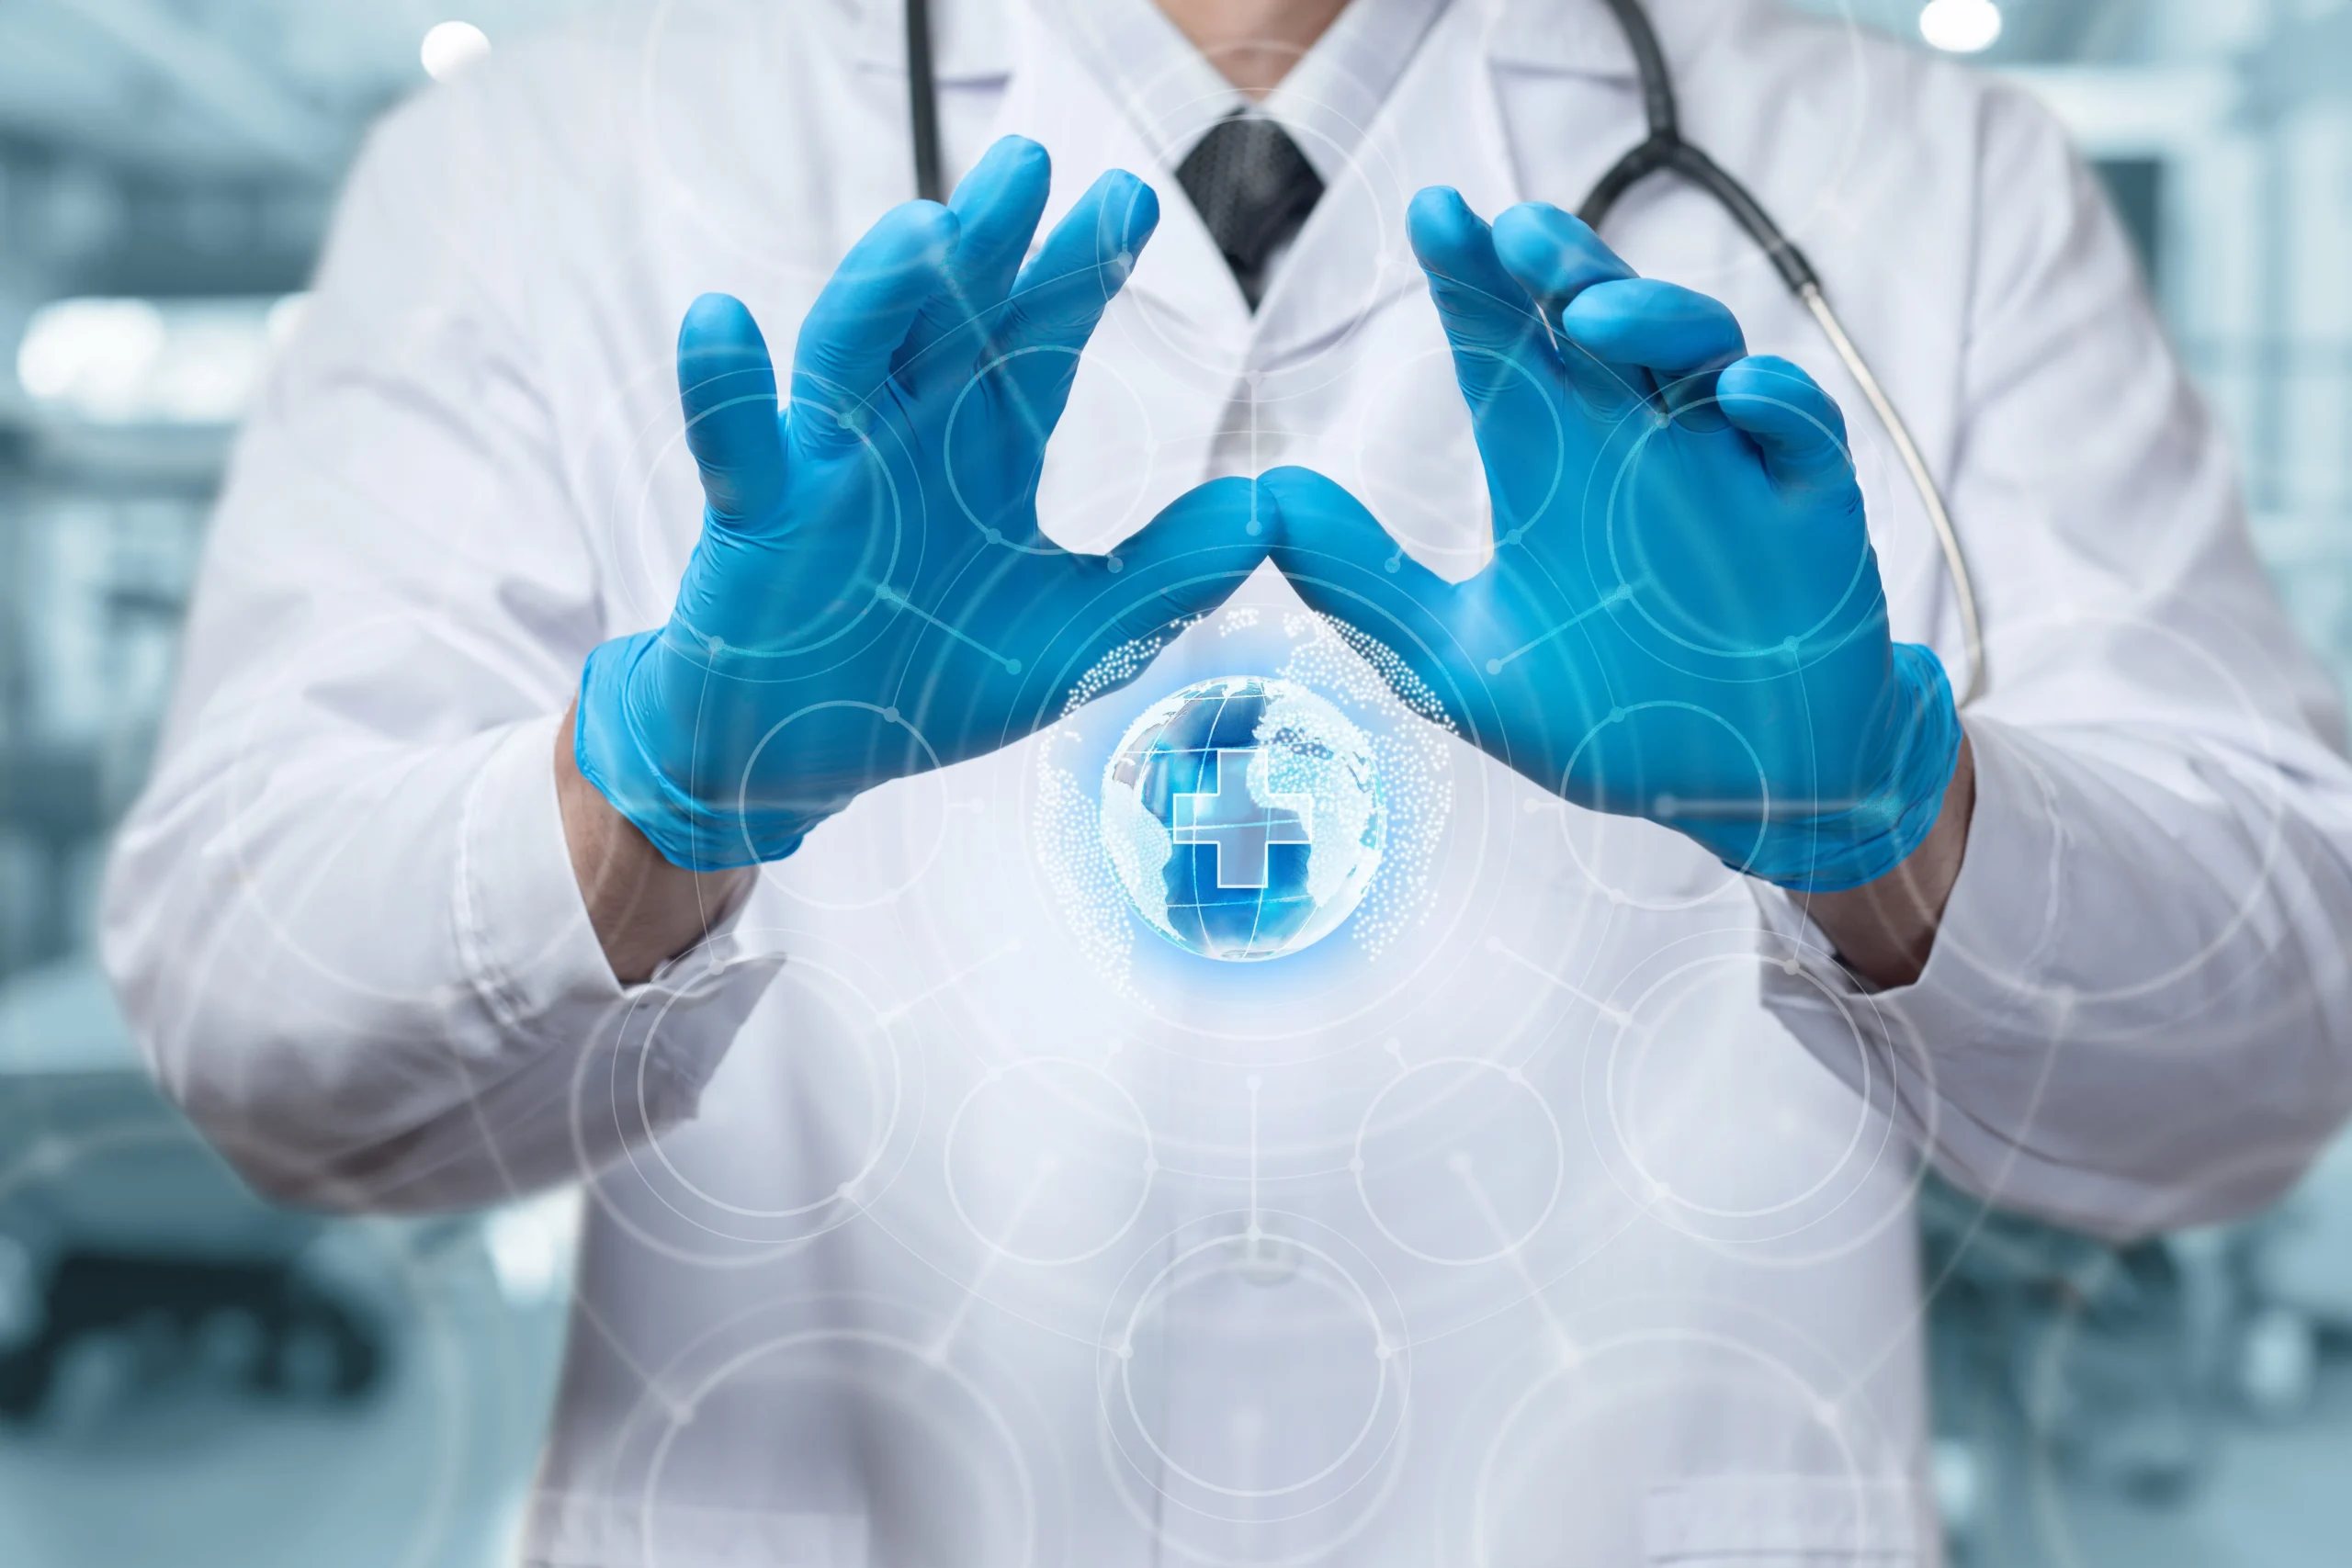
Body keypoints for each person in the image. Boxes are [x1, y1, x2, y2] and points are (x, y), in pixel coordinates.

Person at [100, 0, 2352, 1562]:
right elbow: (252, 1022)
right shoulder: (533, 173)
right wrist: (650, 802)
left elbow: (2258, 1055)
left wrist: (1889, 824)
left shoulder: (1938, 184)